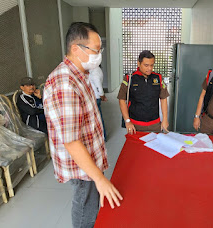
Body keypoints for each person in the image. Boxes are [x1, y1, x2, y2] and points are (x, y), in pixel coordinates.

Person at [43, 22, 122, 228]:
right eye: (96, 50)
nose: (99, 55)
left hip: (90, 159)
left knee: (92, 203)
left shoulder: (81, 75)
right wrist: (100, 179)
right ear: (76, 49)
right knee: (86, 207)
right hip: (81, 166)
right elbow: (71, 141)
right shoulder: (65, 84)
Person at [117, 50, 169, 134]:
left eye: (152, 65)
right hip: (135, 125)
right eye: (146, 65)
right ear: (138, 63)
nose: (149, 68)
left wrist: (165, 119)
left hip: (155, 124)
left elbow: (163, 99)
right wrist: (127, 121)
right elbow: (122, 100)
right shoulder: (129, 78)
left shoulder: (158, 78)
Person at [89, 65, 107, 141]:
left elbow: (98, 85)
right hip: (95, 97)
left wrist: (102, 95)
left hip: (95, 97)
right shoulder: (95, 69)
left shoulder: (95, 71)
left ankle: (102, 136)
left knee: (97, 119)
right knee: (97, 118)